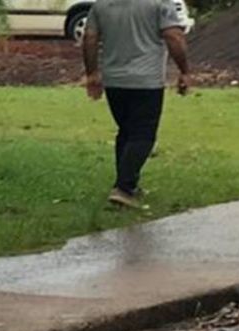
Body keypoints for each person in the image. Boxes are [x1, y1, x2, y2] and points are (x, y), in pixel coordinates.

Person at [83, 0, 191, 209]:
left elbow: (90, 37)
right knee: (143, 134)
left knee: (126, 132)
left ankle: (128, 185)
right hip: (146, 80)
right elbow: (173, 36)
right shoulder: (160, 3)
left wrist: (92, 73)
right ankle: (123, 188)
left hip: (114, 79)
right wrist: (184, 70)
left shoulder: (101, 5)